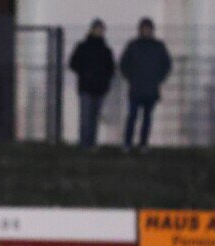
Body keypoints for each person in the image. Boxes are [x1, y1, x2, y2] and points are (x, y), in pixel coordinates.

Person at [120, 17, 172, 152]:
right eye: (145, 28)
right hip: (137, 89)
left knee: (147, 119)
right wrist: (131, 78)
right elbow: (123, 64)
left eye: (149, 28)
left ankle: (143, 144)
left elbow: (167, 65)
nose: (147, 31)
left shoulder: (158, 46)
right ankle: (127, 143)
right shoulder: (133, 45)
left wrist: (158, 79)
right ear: (140, 29)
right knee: (132, 117)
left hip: (150, 89)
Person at [69, 18, 115, 149]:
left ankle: (91, 143)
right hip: (87, 87)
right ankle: (85, 143)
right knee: (86, 118)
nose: (99, 31)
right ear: (92, 29)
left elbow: (111, 69)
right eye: (97, 29)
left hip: (98, 88)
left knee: (93, 118)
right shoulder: (83, 47)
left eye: (101, 29)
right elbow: (73, 63)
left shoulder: (105, 50)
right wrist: (85, 73)